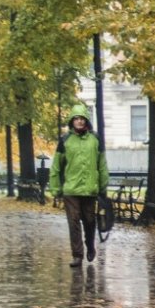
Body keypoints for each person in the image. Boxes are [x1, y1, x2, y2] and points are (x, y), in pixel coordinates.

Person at [49, 103, 109, 268]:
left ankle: (90, 245)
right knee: (73, 221)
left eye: (82, 118)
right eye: (76, 118)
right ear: (71, 121)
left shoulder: (95, 139)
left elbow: (102, 164)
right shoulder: (65, 140)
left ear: (87, 121)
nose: (80, 121)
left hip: (90, 189)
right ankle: (77, 255)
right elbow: (56, 166)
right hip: (71, 189)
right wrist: (55, 188)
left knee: (89, 221)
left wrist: (103, 186)